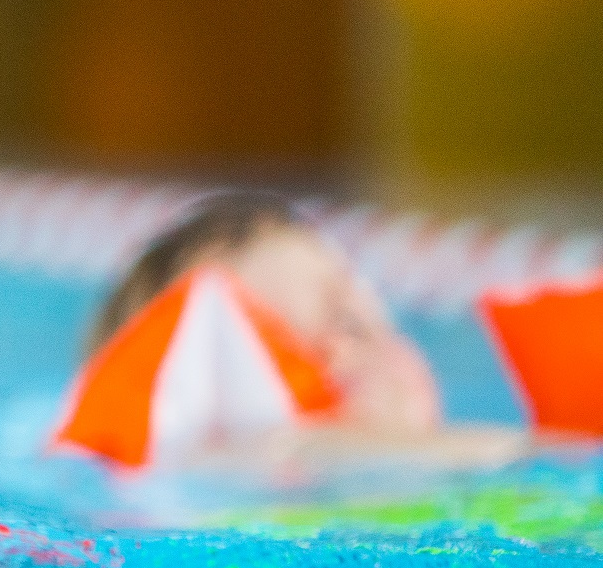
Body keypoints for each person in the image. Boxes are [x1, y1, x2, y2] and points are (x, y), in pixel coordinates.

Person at [86, 190, 520, 464]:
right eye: (293, 360)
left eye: (354, 318)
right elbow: (278, 449)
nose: (345, 352)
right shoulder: (264, 456)